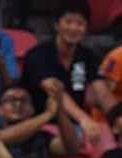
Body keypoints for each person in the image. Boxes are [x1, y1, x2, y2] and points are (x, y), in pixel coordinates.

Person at [21, 0, 111, 143]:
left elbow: (102, 93)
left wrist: (119, 119)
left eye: (80, 24)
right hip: (40, 125)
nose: (73, 28)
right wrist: (84, 119)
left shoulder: (88, 56)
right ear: (57, 24)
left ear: (86, 29)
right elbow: (56, 92)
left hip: (75, 125)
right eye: (68, 22)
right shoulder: (37, 55)